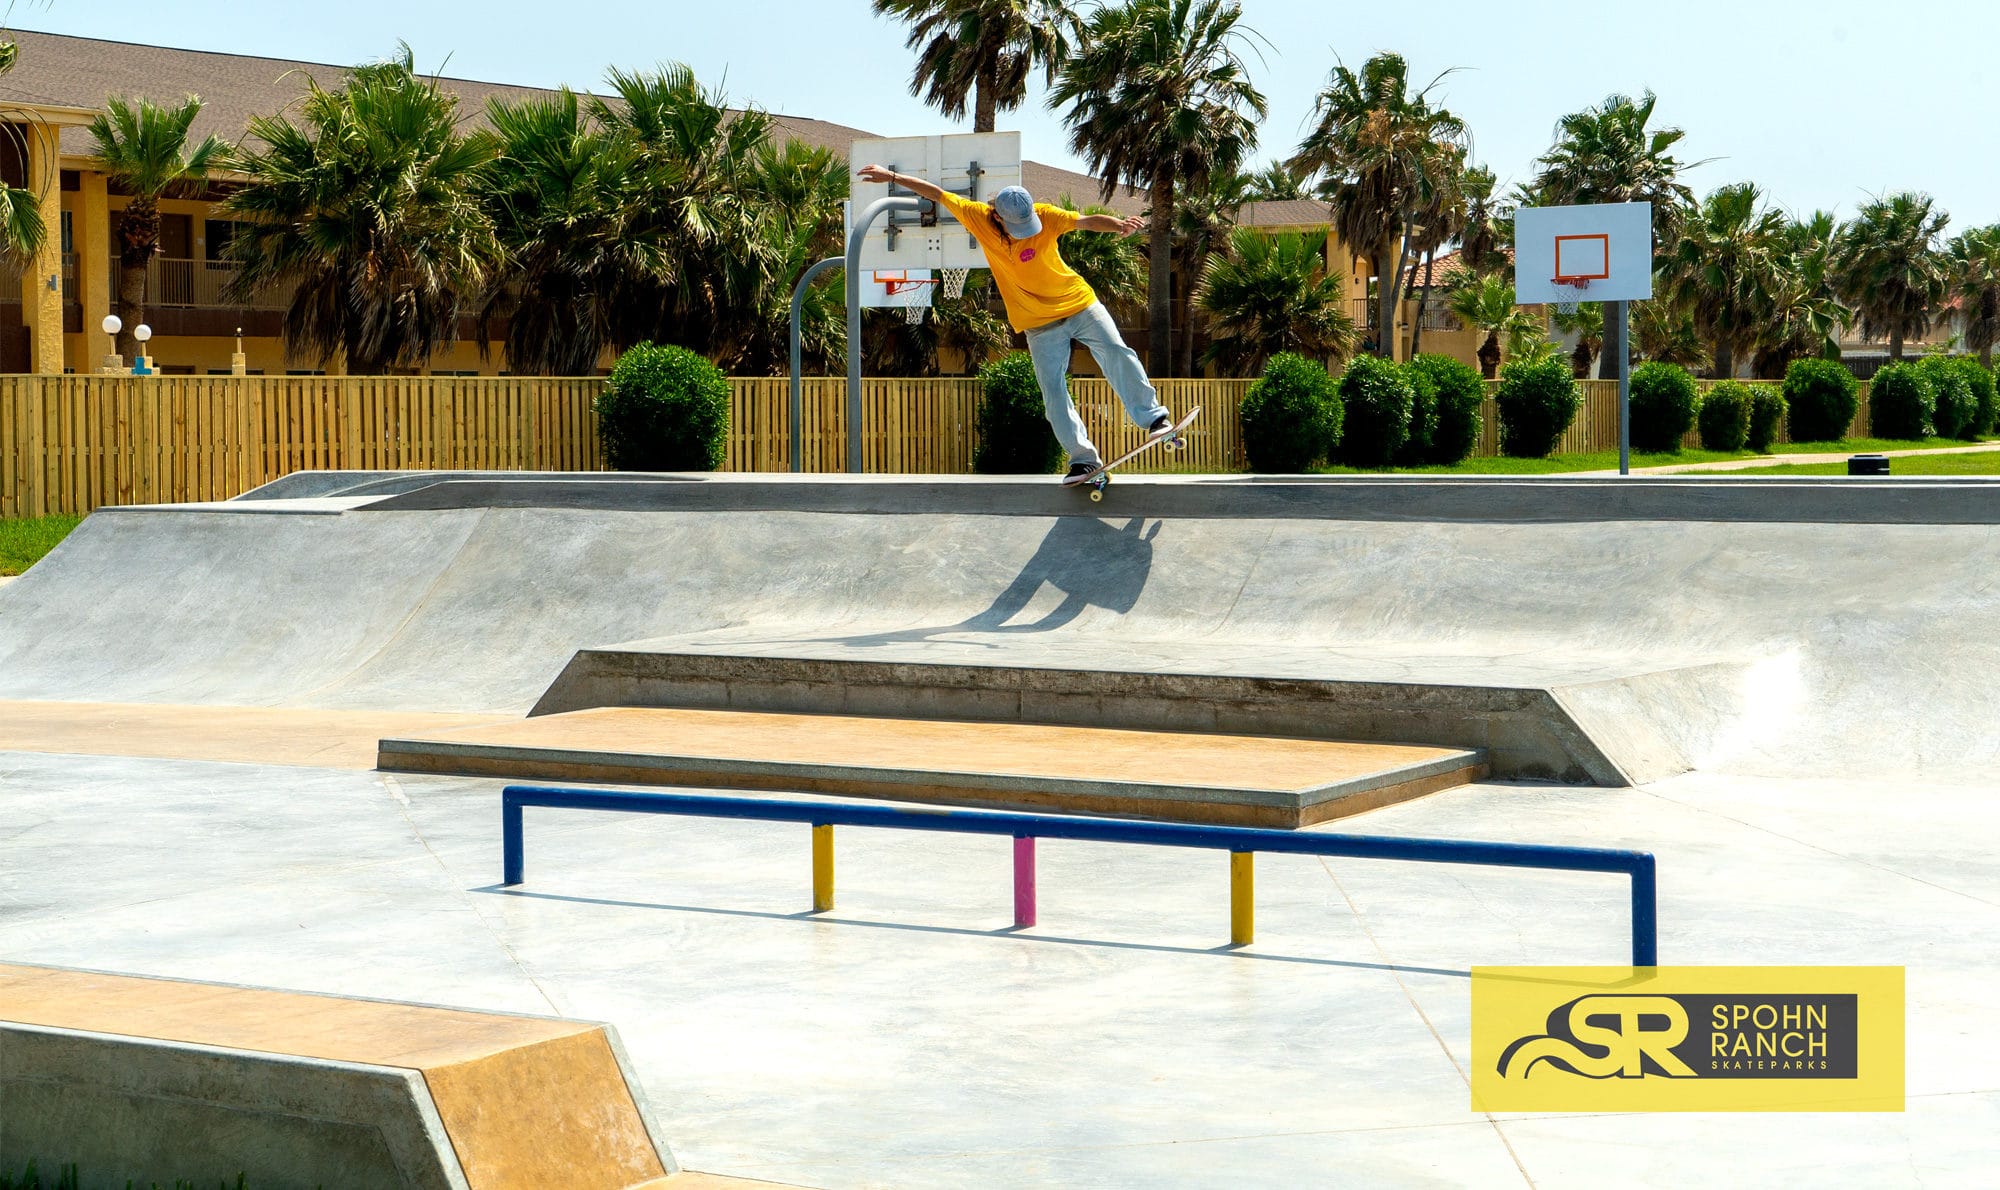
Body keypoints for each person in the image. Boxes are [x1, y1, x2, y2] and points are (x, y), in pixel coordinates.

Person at [856, 164, 1174, 479]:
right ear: (997, 216)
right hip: (1038, 325)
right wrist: (893, 177)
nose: (1025, 231)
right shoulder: (977, 216)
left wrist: (1118, 224)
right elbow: (938, 194)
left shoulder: (1047, 215)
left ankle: (1154, 418)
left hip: (1079, 304)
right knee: (1053, 393)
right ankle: (1083, 459)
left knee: (1117, 352)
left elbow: (1085, 221)